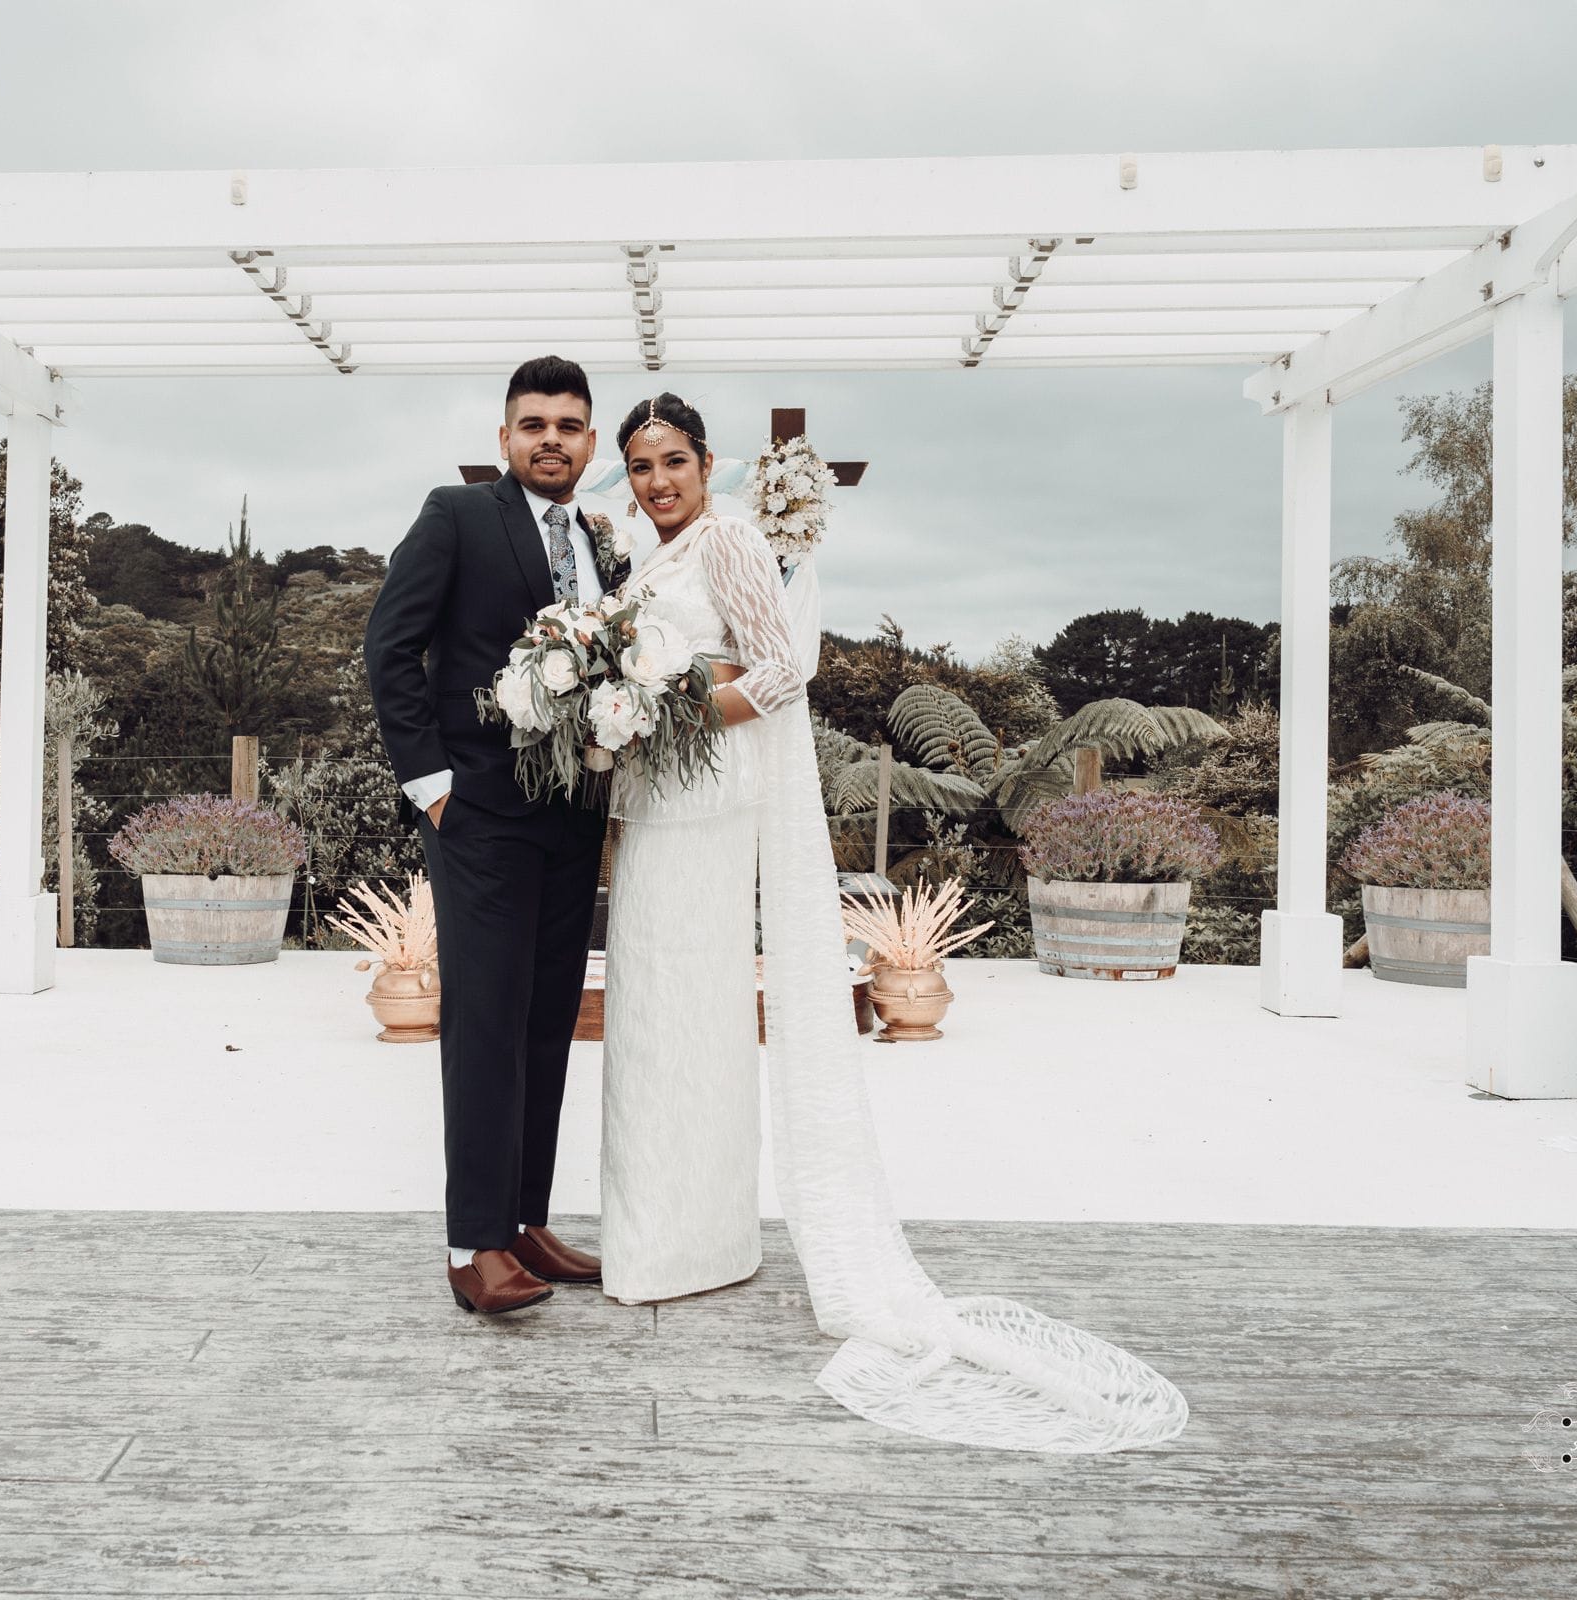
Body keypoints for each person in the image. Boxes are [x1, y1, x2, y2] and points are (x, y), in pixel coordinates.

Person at [597, 392, 1191, 1453]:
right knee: (659, 1022)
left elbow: (782, 672)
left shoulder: (728, 539)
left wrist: (670, 706)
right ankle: (675, 1236)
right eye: (640, 466)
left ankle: (686, 1243)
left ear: (707, 462)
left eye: (673, 461)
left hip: (708, 804)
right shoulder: (646, 554)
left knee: (695, 1016)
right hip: (653, 806)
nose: (657, 482)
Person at [362, 355, 631, 1315]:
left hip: (573, 820)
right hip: (477, 817)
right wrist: (431, 784)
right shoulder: (458, 516)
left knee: (545, 1021)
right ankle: (472, 1245)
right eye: (533, 424)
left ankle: (523, 1221)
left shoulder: (602, 543)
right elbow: (390, 645)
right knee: (483, 1025)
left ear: (590, 441)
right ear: (505, 438)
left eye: (568, 425)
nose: (550, 439)